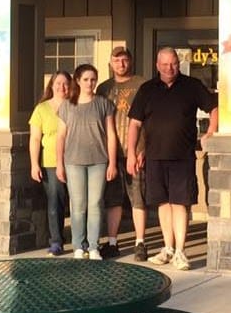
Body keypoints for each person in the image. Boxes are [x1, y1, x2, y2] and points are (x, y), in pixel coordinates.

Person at [127, 47, 217, 270]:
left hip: (182, 157)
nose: (170, 68)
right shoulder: (147, 90)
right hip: (154, 157)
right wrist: (131, 152)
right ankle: (167, 248)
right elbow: (135, 124)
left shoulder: (191, 85)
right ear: (157, 65)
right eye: (165, 64)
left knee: (181, 203)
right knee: (163, 203)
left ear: (179, 63)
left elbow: (214, 108)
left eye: (174, 63)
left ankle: (180, 252)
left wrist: (211, 131)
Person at [57, 63, 118, 260]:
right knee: (78, 204)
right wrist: (59, 163)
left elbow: (111, 134)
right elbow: (61, 136)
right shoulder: (67, 105)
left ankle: (93, 246)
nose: (90, 83)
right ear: (77, 80)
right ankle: (78, 245)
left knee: (95, 204)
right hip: (73, 161)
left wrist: (113, 163)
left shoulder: (103, 103)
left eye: (93, 79)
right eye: (85, 79)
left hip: (99, 160)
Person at [96, 46, 148, 261]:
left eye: (125, 60)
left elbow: (149, 119)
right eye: (117, 61)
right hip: (109, 154)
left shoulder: (142, 85)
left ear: (130, 61)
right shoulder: (103, 88)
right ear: (110, 63)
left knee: (138, 197)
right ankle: (113, 242)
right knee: (112, 200)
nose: (121, 64)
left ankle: (140, 242)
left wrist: (143, 148)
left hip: (134, 152)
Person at [28, 71, 71, 257]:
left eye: (65, 83)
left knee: (78, 203)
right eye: (58, 83)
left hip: (76, 160)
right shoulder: (42, 109)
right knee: (55, 202)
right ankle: (56, 242)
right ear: (51, 85)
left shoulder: (75, 105)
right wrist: (34, 164)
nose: (62, 87)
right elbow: (35, 139)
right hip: (51, 162)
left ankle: (81, 241)